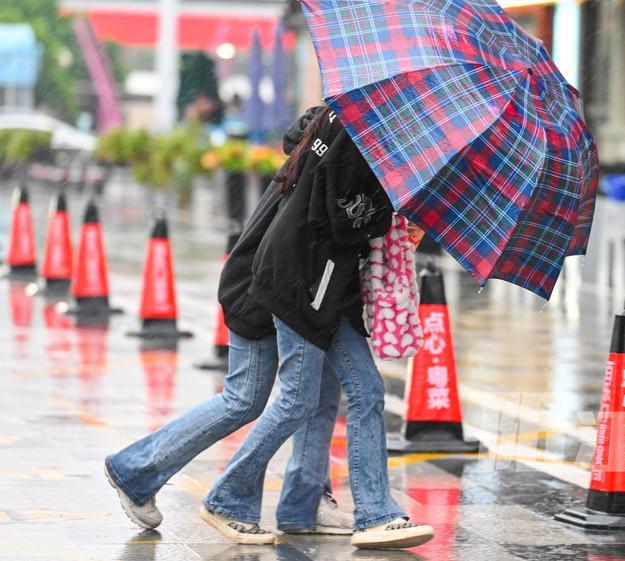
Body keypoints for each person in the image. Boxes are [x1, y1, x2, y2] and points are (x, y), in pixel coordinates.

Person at [103, 108, 352, 539]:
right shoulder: (331, 157)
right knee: (248, 399)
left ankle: (137, 471)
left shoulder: (319, 144)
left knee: (279, 397)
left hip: (269, 285)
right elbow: (329, 230)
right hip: (263, 290)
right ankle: (151, 473)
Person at [200, 106, 435, 549]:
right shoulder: (357, 128)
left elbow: (309, 153)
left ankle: (356, 512)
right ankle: (229, 496)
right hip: (305, 281)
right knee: (296, 400)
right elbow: (346, 216)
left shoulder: (348, 120)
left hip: (327, 282)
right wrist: (394, 212)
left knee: (361, 390)